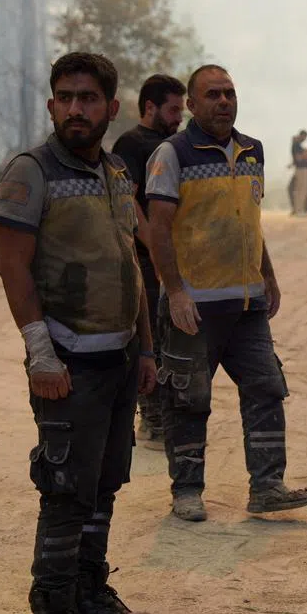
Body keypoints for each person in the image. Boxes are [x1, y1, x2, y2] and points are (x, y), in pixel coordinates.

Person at [0, 52, 158, 614]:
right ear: (53, 105)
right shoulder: (31, 171)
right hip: (66, 364)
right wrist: (39, 352)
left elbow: (128, 263)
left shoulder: (115, 173)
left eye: (88, 99)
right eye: (65, 97)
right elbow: (14, 265)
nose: (75, 109)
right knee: (64, 488)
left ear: (112, 109)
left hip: (115, 361)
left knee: (103, 484)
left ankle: (89, 594)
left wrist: (143, 348)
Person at [145, 64, 307, 522]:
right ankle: (186, 492)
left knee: (266, 388)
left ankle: (267, 487)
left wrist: (269, 277)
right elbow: (158, 230)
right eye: (213, 94)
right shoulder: (172, 154)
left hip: (247, 306)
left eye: (230, 93)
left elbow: (250, 223)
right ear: (192, 104)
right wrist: (175, 292)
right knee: (188, 398)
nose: (224, 101)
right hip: (192, 308)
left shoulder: (252, 151)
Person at [112, 73, 186, 451]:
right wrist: (155, 250)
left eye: (182, 109)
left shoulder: (174, 145)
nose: (179, 117)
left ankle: (170, 415)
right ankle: (152, 418)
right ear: (149, 107)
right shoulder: (132, 143)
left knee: (175, 335)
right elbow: (129, 204)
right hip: (145, 259)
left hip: (172, 257)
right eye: (173, 109)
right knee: (150, 337)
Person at [288, 129, 307, 216]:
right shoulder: (296, 145)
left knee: (300, 190)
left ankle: (298, 210)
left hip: (302, 169)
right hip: (302, 169)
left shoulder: (298, 145)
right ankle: (299, 210)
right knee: (301, 190)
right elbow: (299, 158)